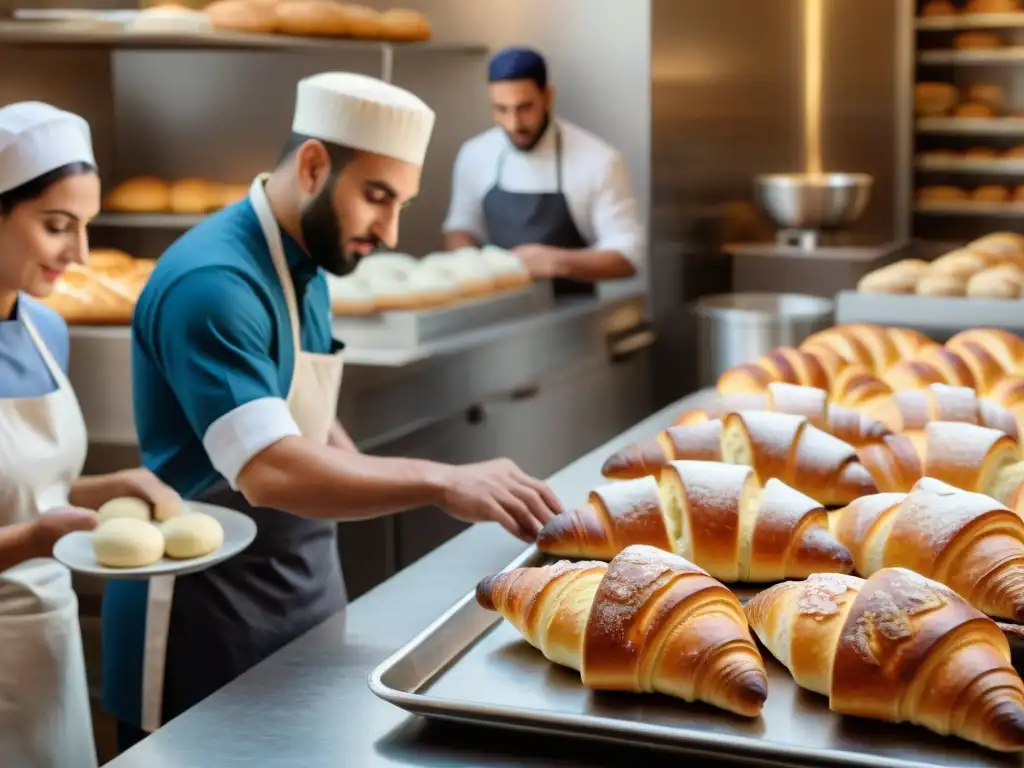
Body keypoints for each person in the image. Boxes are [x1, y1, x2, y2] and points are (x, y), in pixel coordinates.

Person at [102, 71, 562, 752]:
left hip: (299, 596)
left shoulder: (308, 264)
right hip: (206, 623)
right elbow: (269, 469)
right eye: (378, 197)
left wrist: (391, 475)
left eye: (401, 202)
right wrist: (442, 481)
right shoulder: (213, 283)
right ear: (314, 165)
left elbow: (305, 422)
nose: (392, 228)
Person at [0, 101, 180, 768]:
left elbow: (25, 485)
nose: (78, 255)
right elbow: (27, 516)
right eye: (56, 226)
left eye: (86, 227)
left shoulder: (47, 332)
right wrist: (37, 539)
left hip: (53, 646)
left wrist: (110, 488)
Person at [442, 46, 643, 296]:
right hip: (496, 315)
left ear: (547, 97)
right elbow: (462, 227)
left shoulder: (599, 160)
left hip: (572, 320)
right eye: (501, 109)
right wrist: (470, 265)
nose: (513, 124)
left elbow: (629, 257)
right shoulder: (475, 154)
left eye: (524, 108)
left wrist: (557, 262)